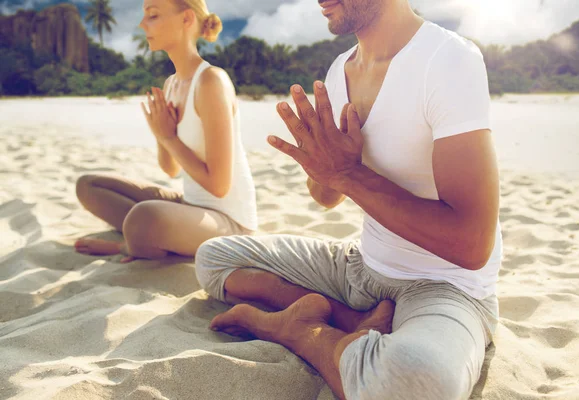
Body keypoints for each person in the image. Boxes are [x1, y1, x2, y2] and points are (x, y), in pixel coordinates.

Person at [195, 0, 502, 399]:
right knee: (214, 259)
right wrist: (326, 170)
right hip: (361, 268)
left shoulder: (447, 59)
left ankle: (301, 331)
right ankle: (350, 318)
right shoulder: (339, 71)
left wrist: (349, 174)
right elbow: (326, 197)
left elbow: (472, 244)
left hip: (444, 285)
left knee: (418, 383)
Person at [75, 0, 257, 263]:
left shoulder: (211, 81)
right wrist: (162, 136)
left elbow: (219, 185)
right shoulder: (171, 84)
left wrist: (169, 137)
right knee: (88, 186)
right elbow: (170, 169)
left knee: (143, 218)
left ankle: (126, 245)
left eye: (153, 15)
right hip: (191, 206)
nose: (142, 24)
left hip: (230, 222)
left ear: (186, 19)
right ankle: (149, 236)